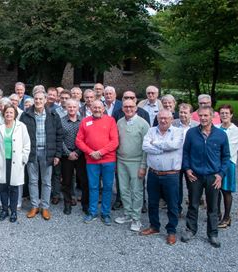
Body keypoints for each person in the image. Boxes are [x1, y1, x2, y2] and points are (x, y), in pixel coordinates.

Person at [181, 107, 231, 247]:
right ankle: (191, 230)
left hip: (213, 177)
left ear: (212, 116)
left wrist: (221, 174)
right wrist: (187, 168)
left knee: (213, 207)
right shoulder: (191, 133)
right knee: (193, 204)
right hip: (195, 175)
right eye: (201, 115)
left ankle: (213, 234)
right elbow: (185, 153)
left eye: (206, 115)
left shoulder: (221, 135)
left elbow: (226, 157)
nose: (203, 118)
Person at [140, 110, 184, 245]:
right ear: (157, 119)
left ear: (171, 119)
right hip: (153, 173)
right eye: (160, 118)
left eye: (166, 118)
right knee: (152, 202)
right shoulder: (151, 131)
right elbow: (145, 146)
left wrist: (155, 143)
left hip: (171, 175)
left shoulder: (178, 131)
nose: (163, 121)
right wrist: (162, 148)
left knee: (172, 204)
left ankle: (171, 231)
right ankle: (154, 226)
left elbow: (174, 145)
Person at [20, 91, 63, 220]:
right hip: (32, 152)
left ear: (45, 100)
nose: (38, 101)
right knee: (32, 181)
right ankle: (34, 206)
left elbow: (59, 136)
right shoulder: (26, 114)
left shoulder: (53, 115)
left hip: (47, 152)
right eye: (36, 99)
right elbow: (21, 135)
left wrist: (57, 155)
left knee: (46, 181)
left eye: (40, 99)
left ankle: (45, 207)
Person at [76, 100, 119, 225]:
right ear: (91, 108)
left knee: (107, 187)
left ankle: (105, 213)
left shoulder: (110, 121)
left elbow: (114, 141)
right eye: (94, 107)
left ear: (103, 108)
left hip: (108, 160)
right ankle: (92, 212)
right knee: (93, 187)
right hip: (91, 160)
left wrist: (100, 152)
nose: (97, 110)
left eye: (99, 107)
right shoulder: (85, 121)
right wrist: (90, 152)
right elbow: (79, 141)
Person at [114, 99, 149, 232]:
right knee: (123, 189)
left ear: (136, 108)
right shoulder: (119, 122)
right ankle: (127, 214)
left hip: (137, 161)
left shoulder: (143, 124)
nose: (129, 109)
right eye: (126, 107)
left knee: (137, 191)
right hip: (121, 160)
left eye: (131, 107)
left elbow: (146, 147)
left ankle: (136, 218)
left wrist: (143, 166)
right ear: (122, 108)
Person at [0, 104, 30, 223]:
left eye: (11, 113)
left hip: (16, 161)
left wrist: (24, 158)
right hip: (1, 160)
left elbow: (26, 144)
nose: (9, 114)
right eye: (7, 112)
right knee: (3, 186)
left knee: (14, 187)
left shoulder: (21, 126)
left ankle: (13, 211)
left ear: (15, 115)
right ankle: (4, 210)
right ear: (3, 114)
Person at [60, 99, 88, 215]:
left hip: (80, 154)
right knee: (66, 181)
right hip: (66, 155)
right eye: (69, 107)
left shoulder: (84, 121)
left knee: (84, 181)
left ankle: (85, 205)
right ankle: (67, 203)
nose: (71, 109)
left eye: (74, 107)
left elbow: (86, 138)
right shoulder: (61, 121)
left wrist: (77, 152)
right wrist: (68, 153)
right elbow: (59, 139)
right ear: (66, 108)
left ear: (78, 108)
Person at [216, 104, 238, 228]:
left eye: (227, 113)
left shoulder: (235, 130)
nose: (224, 115)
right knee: (215, 190)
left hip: (227, 163)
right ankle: (216, 214)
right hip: (215, 163)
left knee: (226, 190)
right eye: (222, 113)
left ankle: (227, 217)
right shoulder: (216, 127)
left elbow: (230, 150)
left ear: (231, 115)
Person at [172, 103, 198, 215]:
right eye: (181, 112)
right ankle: (177, 209)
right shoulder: (173, 124)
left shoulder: (197, 126)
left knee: (192, 185)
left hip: (191, 161)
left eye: (185, 112)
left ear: (191, 114)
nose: (182, 115)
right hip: (176, 159)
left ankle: (192, 209)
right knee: (176, 186)